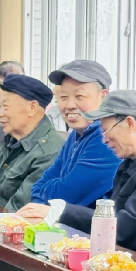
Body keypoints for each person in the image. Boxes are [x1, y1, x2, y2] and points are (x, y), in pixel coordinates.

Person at [18, 90, 136, 253]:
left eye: (106, 131)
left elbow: (125, 230)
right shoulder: (135, 158)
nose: (104, 140)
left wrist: (60, 211)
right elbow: (114, 214)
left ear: (130, 124)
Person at [19, 60, 122, 213]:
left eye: (79, 96)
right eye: (63, 97)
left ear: (103, 96)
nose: (70, 105)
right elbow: (36, 189)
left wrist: (50, 191)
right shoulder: (76, 134)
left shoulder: (107, 139)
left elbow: (66, 197)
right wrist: (53, 190)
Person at [0, 75, 65, 211]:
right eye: (0, 106)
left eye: (6, 106)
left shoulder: (49, 152)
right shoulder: (11, 141)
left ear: (32, 108)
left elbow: (18, 211)